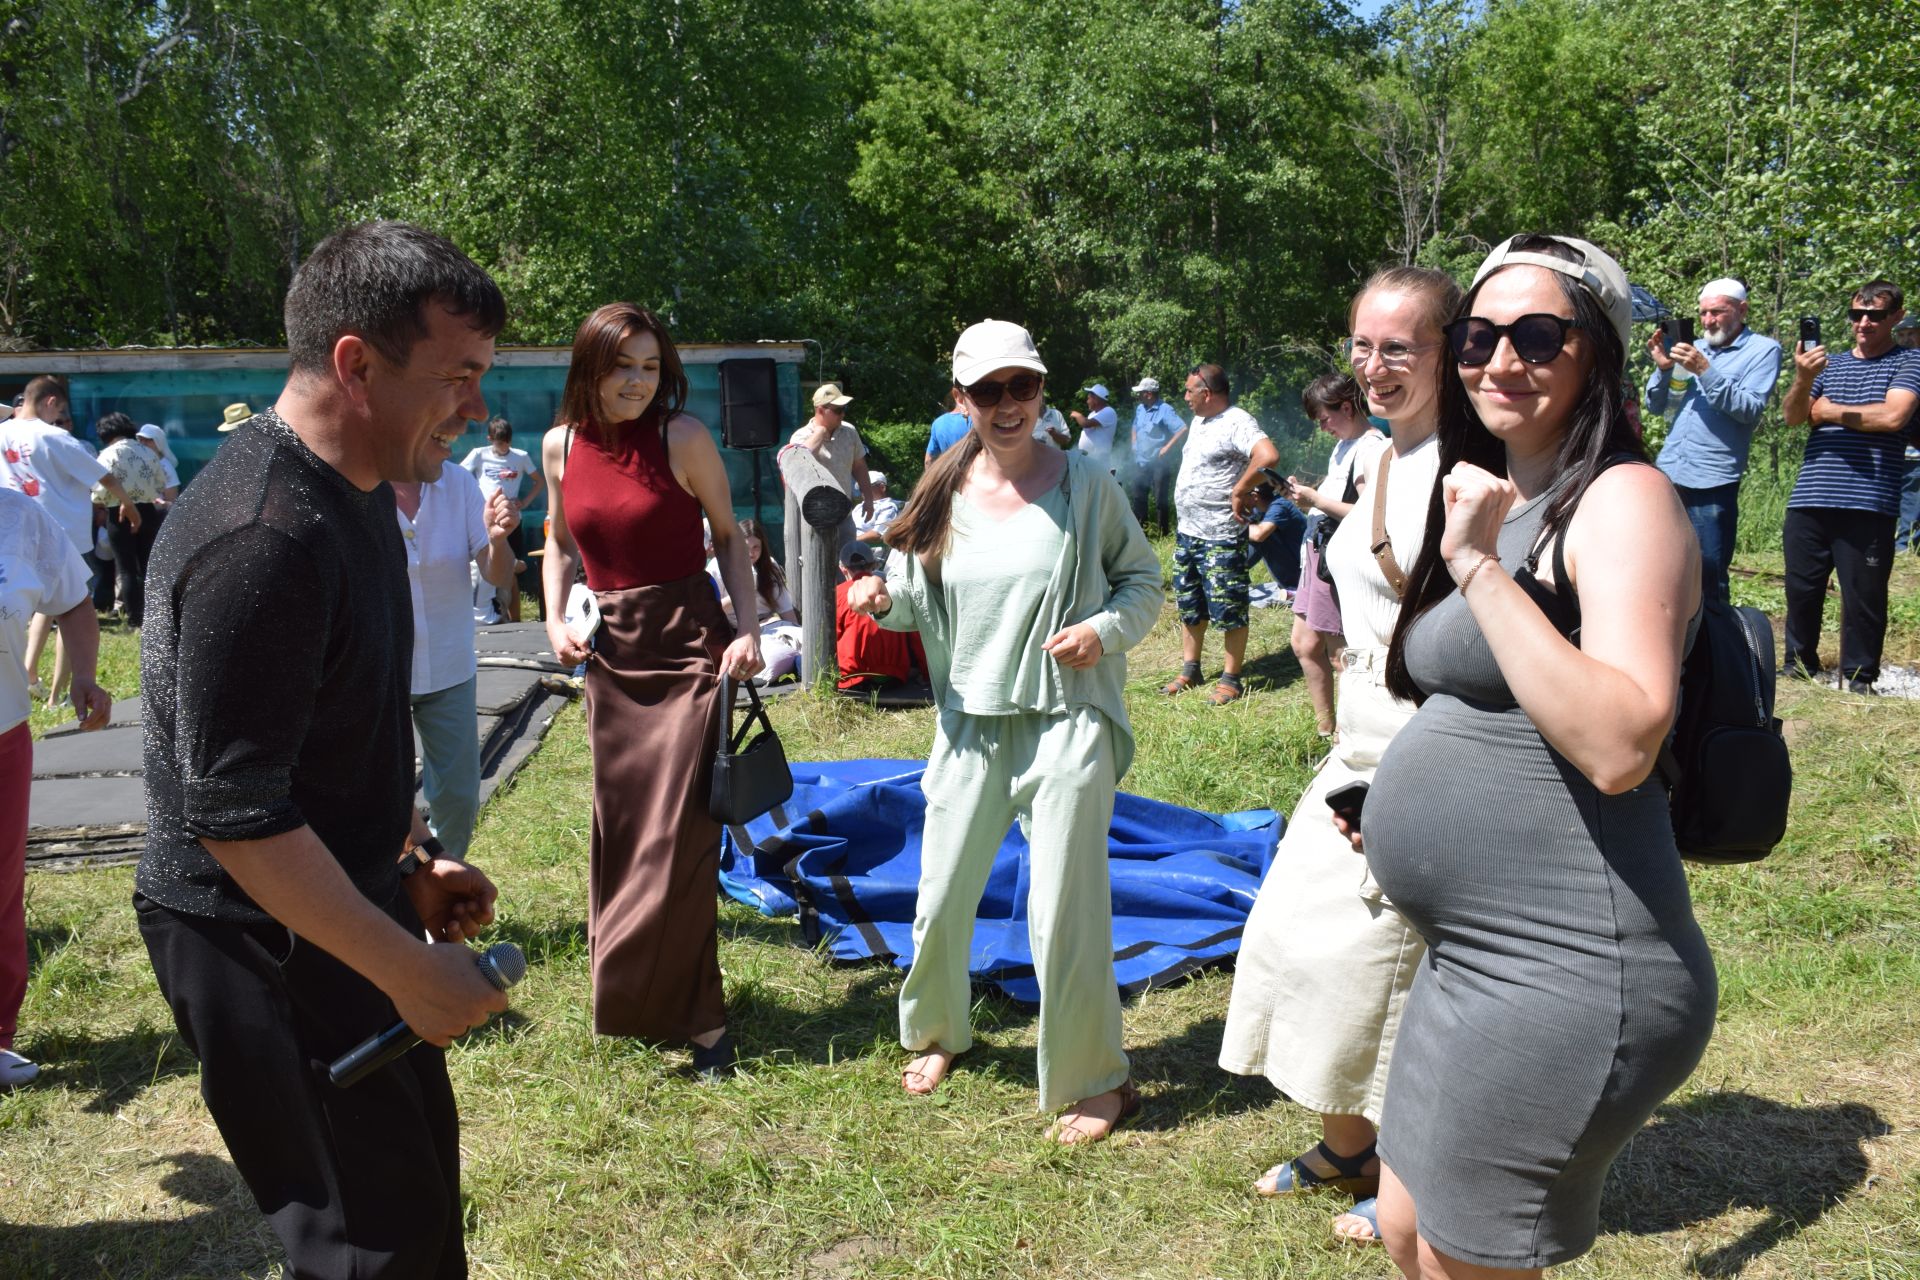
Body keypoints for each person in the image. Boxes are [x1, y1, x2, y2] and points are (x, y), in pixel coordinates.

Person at [135, 220, 513, 1279]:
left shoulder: (353, 491)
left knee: (419, 1214)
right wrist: (406, 968)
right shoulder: (263, 534)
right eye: (458, 376)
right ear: (357, 363)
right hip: (259, 940)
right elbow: (237, 817)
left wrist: (408, 855)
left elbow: (336, 721)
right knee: (367, 1249)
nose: (477, 409)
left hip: (339, 905)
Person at [1364, 233, 1716, 1278]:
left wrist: (1473, 565)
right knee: (1404, 1225)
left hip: (1568, 968)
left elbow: (1619, 741)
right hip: (1471, 959)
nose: (1500, 359)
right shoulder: (1503, 493)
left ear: (1596, 353)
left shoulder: (1622, 500)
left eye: (1538, 335)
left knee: (1466, 1256)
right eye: (1477, 334)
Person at [846, 318, 1161, 1143]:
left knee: (1066, 911)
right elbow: (916, 600)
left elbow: (1141, 583)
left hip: (1067, 722)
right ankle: (940, 1033)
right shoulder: (938, 495)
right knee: (941, 897)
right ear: (962, 401)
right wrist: (884, 602)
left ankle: (1098, 1081)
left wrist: (1104, 632)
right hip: (966, 728)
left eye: (1022, 386)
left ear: (1041, 390)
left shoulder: (1088, 485)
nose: (1009, 404)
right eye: (989, 391)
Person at [1219, 266, 1460, 1246]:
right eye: (1363, 344)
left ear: (1451, 350)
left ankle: (1412, 1175)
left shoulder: (1460, 466)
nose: (1373, 365)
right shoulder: (1382, 455)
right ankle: (1346, 1141)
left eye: (1399, 346)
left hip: (1418, 744)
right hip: (1358, 732)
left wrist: (1407, 770)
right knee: (1297, 937)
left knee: (1394, 971)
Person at [541, 302, 762, 1073]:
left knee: (681, 842)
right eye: (621, 366)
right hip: (611, 663)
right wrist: (552, 621)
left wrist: (749, 630)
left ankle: (703, 1022)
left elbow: (730, 540)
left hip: (689, 651)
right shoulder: (559, 445)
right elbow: (558, 546)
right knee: (627, 835)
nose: (638, 382)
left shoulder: (684, 436)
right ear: (589, 367)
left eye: (649, 366)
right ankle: (643, 998)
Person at [1, 486, 113, 1088]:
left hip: (2, 735)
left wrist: (87, 676)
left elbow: (73, 600)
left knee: (0, 887)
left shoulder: (19, 517)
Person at [1780, 279, 1920, 692]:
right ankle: (1799, 665)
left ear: (1895, 318)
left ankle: (1860, 677)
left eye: (1874, 316)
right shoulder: (1830, 364)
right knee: (1801, 588)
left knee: (1863, 597)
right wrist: (1804, 379)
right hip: (1812, 494)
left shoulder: (1908, 362)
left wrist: (1828, 411)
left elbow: (1893, 417)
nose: (1863, 323)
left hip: (1869, 500)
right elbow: (1793, 416)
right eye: (1856, 314)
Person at [394, 460, 521, 861]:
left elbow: (497, 575)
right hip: (379, 672)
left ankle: (442, 884)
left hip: (449, 667)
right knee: (379, 796)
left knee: (459, 796)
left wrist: (498, 540)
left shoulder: (459, 483)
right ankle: (386, 901)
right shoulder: (359, 481)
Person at [1643, 277, 1784, 603]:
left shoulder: (1763, 350)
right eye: (1704, 313)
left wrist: (1705, 370)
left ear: (1742, 309)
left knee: (1709, 574)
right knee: (1661, 565)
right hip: (1670, 472)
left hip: (1713, 478)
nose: (1708, 321)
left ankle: (1718, 649)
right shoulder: (1694, 347)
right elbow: (1656, 406)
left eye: (1717, 312)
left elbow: (1749, 409)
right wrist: (1664, 369)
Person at [0, 376, 139, 702]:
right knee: (72, 604)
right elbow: (101, 474)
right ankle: (58, 693)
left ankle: (29, 674)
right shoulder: (53, 436)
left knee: (41, 610)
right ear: (50, 403)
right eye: (59, 409)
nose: (60, 416)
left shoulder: (3, 431)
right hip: (60, 534)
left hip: (12, 538)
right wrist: (129, 504)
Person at [1161, 364, 1279, 705]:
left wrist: (1240, 489)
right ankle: (1191, 669)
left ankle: (1231, 678)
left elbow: (1268, 455)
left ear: (1207, 393)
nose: (1185, 398)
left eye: (1189, 391)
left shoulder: (1237, 421)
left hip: (1220, 536)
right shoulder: (1200, 421)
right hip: (1188, 534)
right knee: (1189, 604)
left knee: (1229, 608)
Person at [1285, 376, 1388, 736]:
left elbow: (1369, 515)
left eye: (1324, 418)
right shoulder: (1345, 445)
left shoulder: (1371, 447)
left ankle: (1354, 736)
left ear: (1346, 407)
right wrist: (1304, 496)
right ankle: (1326, 731)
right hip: (1317, 554)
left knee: (1339, 654)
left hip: (1336, 562)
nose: (1323, 427)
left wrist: (1314, 500)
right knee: (1304, 643)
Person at [461, 417, 545, 623]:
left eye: (507, 441)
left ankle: (515, 620)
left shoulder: (520, 456)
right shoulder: (479, 454)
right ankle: (485, 612)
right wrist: (473, 502)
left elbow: (538, 481)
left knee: (511, 569)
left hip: (510, 521)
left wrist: (524, 502)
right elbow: (459, 475)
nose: (504, 446)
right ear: (490, 439)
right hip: (484, 520)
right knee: (482, 564)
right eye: (500, 442)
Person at [90, 412, 169, 628]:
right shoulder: (148, 452)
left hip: (118, 513)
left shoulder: (106, 455)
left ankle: (135, 619)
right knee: (148, 565)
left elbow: (98, 492)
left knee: (126, 569)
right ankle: (157, 616)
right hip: (148, 510)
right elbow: (160, 482)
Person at [834, 540, 926, 695]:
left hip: (853, 680)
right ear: (873, 566)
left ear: (843, 569)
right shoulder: (892, 592)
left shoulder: (838, 594)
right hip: (893, 679)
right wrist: (926, 675)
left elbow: (827, 639)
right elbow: (916, 636)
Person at [719, 517, 804, 685]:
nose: (751, 553)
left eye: (756, 547)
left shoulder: (769, 567)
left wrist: (796, 631)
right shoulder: (718, 566)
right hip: (736, 632)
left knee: (804, 640)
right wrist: (746, 588)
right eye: (745, 547)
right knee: (771, 658)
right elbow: (712, 610)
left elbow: (786, 611)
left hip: (769, 625)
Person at [1125, 376, 1184, 534]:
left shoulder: (1165, 410)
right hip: (1141, 460)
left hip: (1159, 462)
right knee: (1138, 496)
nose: (1139, 395)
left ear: (1149, 394)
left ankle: (1162, 533)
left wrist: (1167, 448)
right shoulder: (1140, 408)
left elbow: (1181, 429)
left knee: (1160, 500)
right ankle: (1139, 532)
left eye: (1141, 393)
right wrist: (1134, 442)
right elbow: (1135, 426)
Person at [1245, 487, 1307, 599]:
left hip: (1303, 576)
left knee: (1261, 536)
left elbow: (1258, 535)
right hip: (1294, 569)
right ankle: (1230, 574)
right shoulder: (1261, 508)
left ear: (1254, 496)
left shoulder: (1279, 506)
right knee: (1252, 535)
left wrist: (1232, 525)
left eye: (1242, 495)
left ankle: (1230, 573)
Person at [1897, 316, 1920, 553]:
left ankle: (1905, 549)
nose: (1906, 339)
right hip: (1893, 449)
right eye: (1901, 335)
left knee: (1912, 503)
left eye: (1911, 333)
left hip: (1915, 451)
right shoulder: (1894, 363)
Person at [1070, 383, 1118, 473]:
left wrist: (1077, 415)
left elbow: (1085, 423)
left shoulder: (1109, 411)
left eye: (1088, 398)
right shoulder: (1092, 414)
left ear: (1095, 399)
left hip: (1098, 464)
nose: (1087, 401)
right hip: (1088, 462)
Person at [853, 470, 901, 544]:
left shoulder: (888, 506)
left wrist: (849, 541)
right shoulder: (859, 507)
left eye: (867, 487)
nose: (863, 491)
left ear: (882, 487)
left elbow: (877, 534)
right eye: (861, 488)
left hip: (868, 551)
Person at [924, 394, 971, 464]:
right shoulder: (976, 420)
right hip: (974, 471)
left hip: (949, 472)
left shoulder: (937, 423)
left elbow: (928, 460)